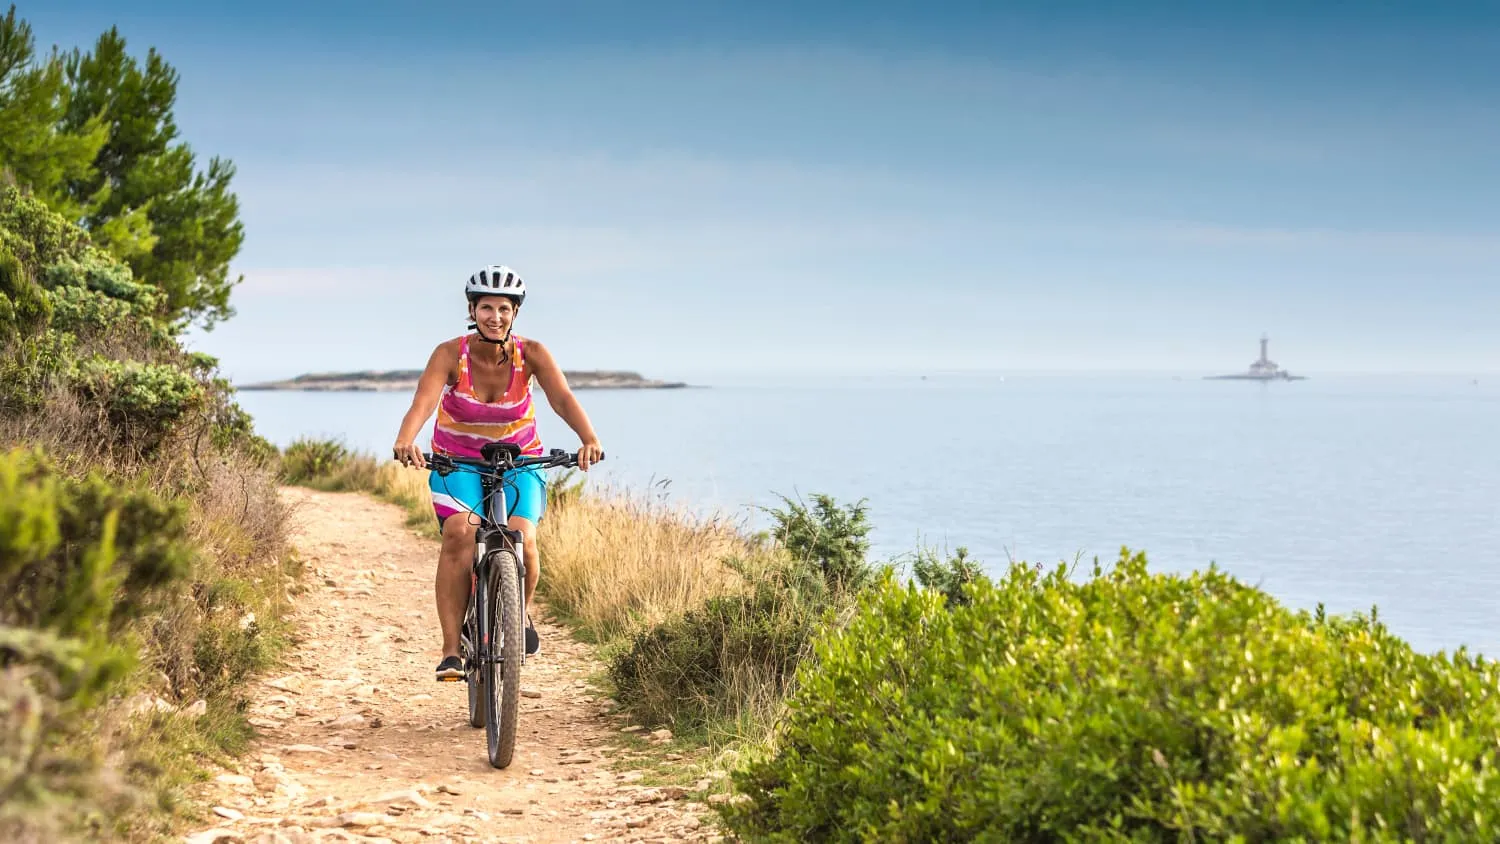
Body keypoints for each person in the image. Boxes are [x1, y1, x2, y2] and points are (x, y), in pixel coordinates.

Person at [392, 264, 603, 681]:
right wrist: (406, 438)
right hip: (457, 461)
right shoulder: (450, 354)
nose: (495, 317)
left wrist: (589, 439)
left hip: (520, 460)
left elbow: (562, 398)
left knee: (523, 538)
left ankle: (516, 617)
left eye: (504, 308)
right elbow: (424, 402)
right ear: (472, 310)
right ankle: (451, 650)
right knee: (460, 534)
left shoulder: (533, 354)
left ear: (515, 313)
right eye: (486, 307)